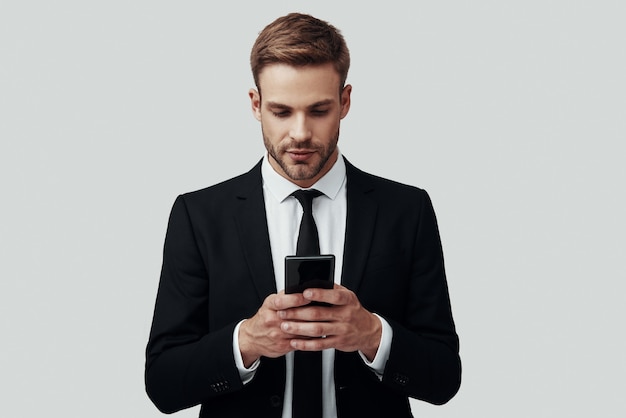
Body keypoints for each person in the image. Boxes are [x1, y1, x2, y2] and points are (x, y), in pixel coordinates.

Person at [145, 12, 461, 418]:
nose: (299, 133)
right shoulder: (200, 215)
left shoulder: (406, 210)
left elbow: (444, 379)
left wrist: (372, 334)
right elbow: (163, 385)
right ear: (255, 105)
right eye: (281, 112)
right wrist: (246, 342)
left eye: (318, 110)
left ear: (345, 102)